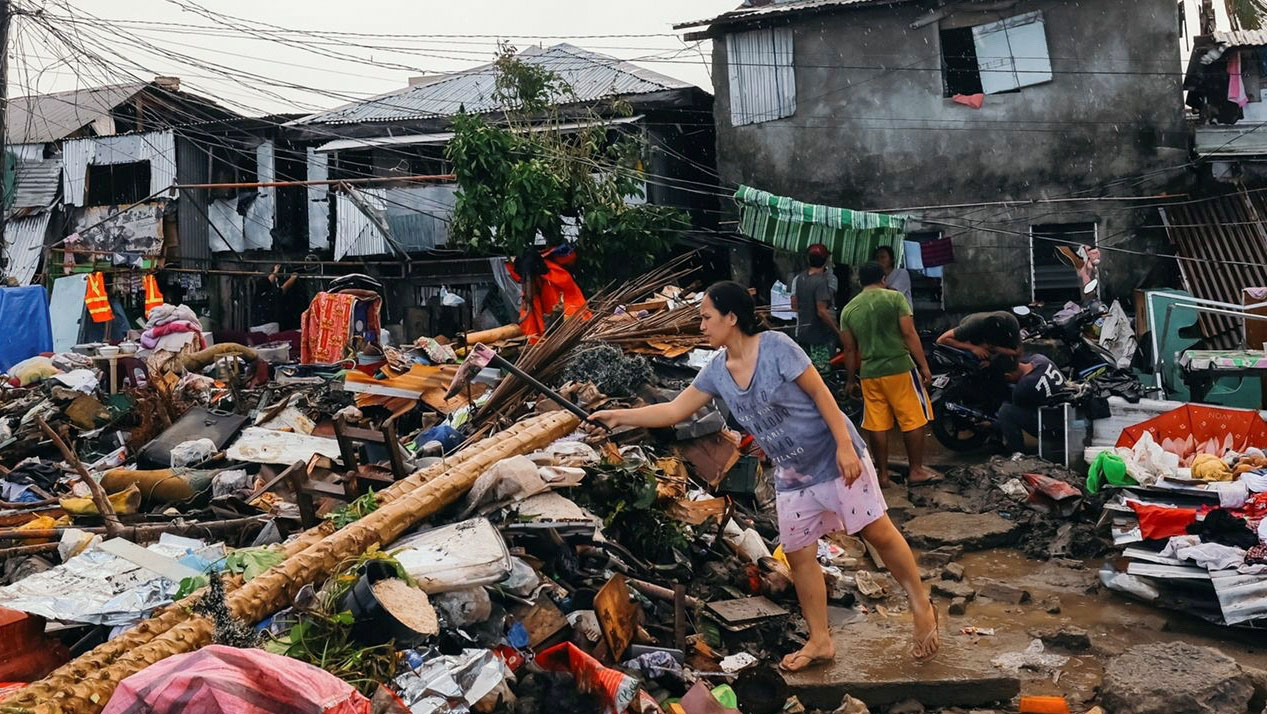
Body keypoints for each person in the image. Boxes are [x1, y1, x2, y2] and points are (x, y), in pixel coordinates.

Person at [590, 282, 939, 671]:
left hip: (833, 456)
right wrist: (617, 415)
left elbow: (823, 394)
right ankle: (820, 640)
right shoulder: (716, 371)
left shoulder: (776, 347)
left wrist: (844, 445)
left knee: (877, 531)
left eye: (706, 317)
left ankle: (920, 604)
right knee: (798, 555)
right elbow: (674, 410)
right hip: (791, 473)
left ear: (731, 317)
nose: (701, 325)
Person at [839, 262, 940, 486]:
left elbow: (849, 349)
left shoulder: (849, 309)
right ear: (883, 278)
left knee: (877, 423)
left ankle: (882, 476)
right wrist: (924, 366)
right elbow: (909, 333)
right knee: (912, 419)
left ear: (860, 282)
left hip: (869, 372)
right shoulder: (895, 299)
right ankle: (915, 471)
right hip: (900, 368)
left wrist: (849, 380)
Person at [790, 243, 845, 372]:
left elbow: (794, 306)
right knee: (822, 375)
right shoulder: (821, 282)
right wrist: (838, 332)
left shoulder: (799, 279)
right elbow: (822, 311)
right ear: (826, 260)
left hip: (802, 334)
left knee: (806, 374)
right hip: (819, 337)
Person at [996, 353, 1067, 454]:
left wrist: (994, 424)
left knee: (1006, 411)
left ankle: (1017, 454)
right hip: (1068, 414)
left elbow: (1019, 411)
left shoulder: (1023, 387)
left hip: (1055, 429)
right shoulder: (1041, 359)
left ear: (1008, 376)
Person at [935, 310, 1022, 361]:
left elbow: (1018, 352)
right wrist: (972, 348)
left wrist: (993, 355)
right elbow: (941, 340)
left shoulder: (1011, 323)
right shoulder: (973, 325)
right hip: (971, 342)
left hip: (997, 349)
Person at [254, 264, 297, 328]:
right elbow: (282, 290)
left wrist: (275, 271)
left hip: (256, 323)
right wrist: (293, 278)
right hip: (269, 324)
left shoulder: (254, 291)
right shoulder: (267, 296)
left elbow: (266, 283)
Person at [873, 245, 913, 309]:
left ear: (891, 260)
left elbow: (893, 294)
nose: (879, 260)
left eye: (883, 257)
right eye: (877, 258)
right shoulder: (876, 276)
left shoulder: (902, 273)